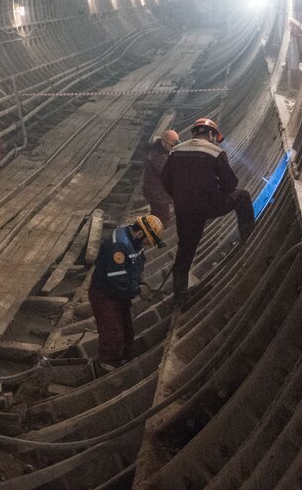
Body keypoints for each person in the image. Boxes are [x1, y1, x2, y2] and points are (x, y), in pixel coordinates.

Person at [160, 117, 255, 304]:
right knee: (242, 196)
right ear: (211, 134)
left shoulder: (176, 151)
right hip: (208, 206)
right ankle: (248, 237)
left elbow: (165, 181)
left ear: (194, 133)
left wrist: (180, 196)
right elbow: (231, 184)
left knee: (186, 247)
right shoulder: (215, 151)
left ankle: (180, 296)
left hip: (183, 209)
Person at [88, 214, 164, 372]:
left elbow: (136, 267)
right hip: (105, 295)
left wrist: (142, 283)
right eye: (148, 243)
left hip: (119, 295)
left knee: (127, 333)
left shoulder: (135, 242)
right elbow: (118, 281)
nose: (147, 246)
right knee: (112, 334)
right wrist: (138, 290)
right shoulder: (119, 245)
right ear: (141, 234)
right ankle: (106, 368)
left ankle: (122, 362)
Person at [142, 128, 179, 224]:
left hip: (157, 193)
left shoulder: (160, 151)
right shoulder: (157, 156)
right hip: (157, 195)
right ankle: (155, 237)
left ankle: (151, 236)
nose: (172, 148)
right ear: (164, 142)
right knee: (162, 219)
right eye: (171, 145)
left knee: (155, 217)